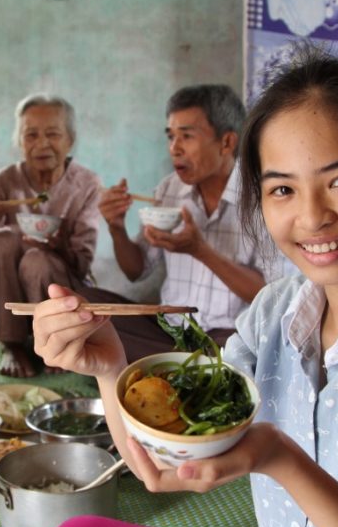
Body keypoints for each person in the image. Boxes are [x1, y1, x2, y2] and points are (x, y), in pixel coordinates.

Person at [32, 49, 338, 527]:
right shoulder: (275, 310)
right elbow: (161, 464)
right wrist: (109, 368)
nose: (312, 216)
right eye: (282, 189)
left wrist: (283, 460)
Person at [88, 85, 279, 361]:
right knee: (85, 305)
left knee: (248, 352)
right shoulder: (169, 189)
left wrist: (200, 251)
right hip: (171, 329)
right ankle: (183, 362)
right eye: (171, 136)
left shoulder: (263, 198)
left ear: (226, 143)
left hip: (230, 336)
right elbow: (135, 271)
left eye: (186, 136)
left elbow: (271, 296)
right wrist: (116, 227)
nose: (174, 149)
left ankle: (174, 364)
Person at [0, 93, 100, 378]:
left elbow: (83, 265)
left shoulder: (86, 184)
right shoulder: (5, 181)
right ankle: (12, 344)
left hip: (63, 287)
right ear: (19, 141)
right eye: (31, 135)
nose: (41, 144)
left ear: (70, 140)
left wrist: (59, 245)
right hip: (10, 298)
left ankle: (54, 341)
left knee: (37, 259)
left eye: (52, 134)